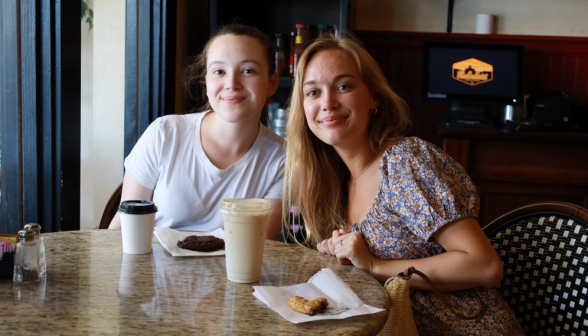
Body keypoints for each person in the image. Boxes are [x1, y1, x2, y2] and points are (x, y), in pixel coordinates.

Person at [283, 35, 524, 335]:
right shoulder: (335, 182)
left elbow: (485, 266)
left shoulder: (404, 162)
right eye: (313, 92)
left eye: (344, 86)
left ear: (373, 98)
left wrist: (374, 266)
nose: (328, 103)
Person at [109, 24, 285, 240]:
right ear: (206, 82)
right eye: (219, 71)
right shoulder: (165, 134)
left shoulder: (283, 159)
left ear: (271, 83)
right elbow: (123, 229)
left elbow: (260, 247)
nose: (231, 83)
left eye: (248, 70)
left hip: (233, 273)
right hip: (151, 271)